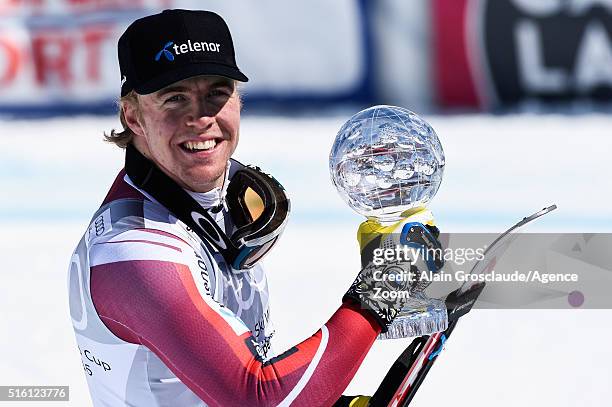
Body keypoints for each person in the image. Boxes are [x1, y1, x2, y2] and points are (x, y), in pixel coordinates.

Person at [67, 9, 443, 407]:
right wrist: (382, 290)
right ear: (133, 116)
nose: (202, 117)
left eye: (217, 92)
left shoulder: (218, 199)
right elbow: (260, 398)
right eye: (175, 98)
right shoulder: (134, 251)